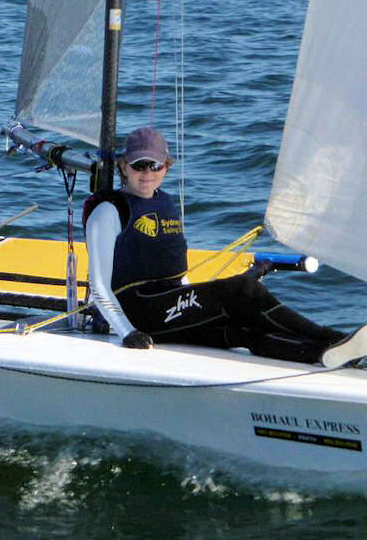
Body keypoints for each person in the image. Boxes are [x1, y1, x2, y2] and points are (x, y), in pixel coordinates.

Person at [83, 126, 367, 367]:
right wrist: (127, 332)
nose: (147, 173)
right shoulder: (109, 211)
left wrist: (195, 301)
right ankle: (333, 338)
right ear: (123, 166)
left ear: (166, 166)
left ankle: (325, 355)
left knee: (239, 332)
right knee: (242, 290)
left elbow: (175, 269)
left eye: (155, 165)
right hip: (138, 312)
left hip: (169, 305)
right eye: (139, 165)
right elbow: (98, 284)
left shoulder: (165, 202)